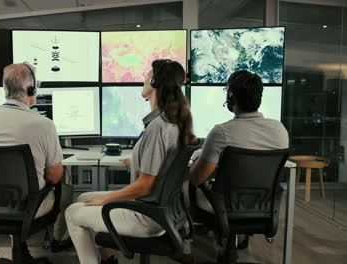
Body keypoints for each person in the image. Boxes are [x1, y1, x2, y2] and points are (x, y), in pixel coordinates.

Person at [65, 59, 197, 264]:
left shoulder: (157, 127)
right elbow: (162, 168)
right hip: (164, 212)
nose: (144, 78)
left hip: (146, 215)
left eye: (147, 74)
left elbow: (145, 185)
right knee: (83, 198)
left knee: (73, 213)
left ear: (154, 82)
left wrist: (108, 199)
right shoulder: (175, 121)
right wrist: (135, 163)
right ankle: (108, 260)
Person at [0, 62, 69, 262]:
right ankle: (56, 242)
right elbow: (55, 175)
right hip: (29, 206)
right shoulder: (44, 124)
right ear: (31, 89)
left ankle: (22, 251)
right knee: (66, 190)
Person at [186, 70, 289, 261]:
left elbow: (197, 178)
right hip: (263, 207)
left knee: (195, 186)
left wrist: (197, 161)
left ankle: (187, 244)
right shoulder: (280, 130)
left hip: (227, 208)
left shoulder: (221, 132)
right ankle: (230, 242)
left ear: (231, 96)